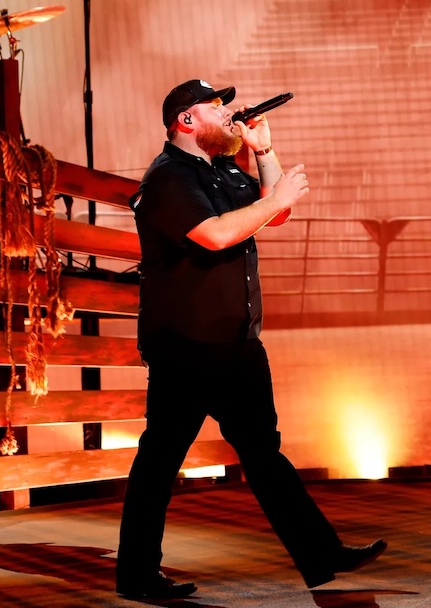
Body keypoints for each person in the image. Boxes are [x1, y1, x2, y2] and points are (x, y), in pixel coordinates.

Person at [115, 79, 387, 600]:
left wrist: (264, 153)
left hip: (235, 342)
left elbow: (273, 213)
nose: (228, 115)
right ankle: (136, 575)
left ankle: (321, 554)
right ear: (186, 121)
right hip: (186, 345)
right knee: (160, 461)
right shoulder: (169, 177)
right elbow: (215, 233)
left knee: (262, 455)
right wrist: (276, 193)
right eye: (214, 109)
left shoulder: (218, 170)